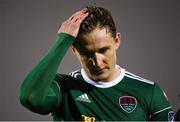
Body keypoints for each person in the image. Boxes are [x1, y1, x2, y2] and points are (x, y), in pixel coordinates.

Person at [19, 5, 174, 121]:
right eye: (87, 53)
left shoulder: (149, 92)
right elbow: (30, 98)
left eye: (104, 50)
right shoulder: (63, 87)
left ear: (117, 40)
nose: (97, 62)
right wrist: (63, 40)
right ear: (74, 50)